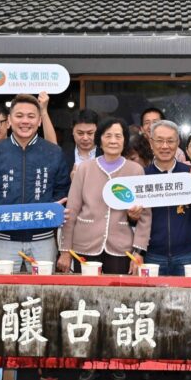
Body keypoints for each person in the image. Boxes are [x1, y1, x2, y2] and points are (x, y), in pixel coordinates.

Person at [0, 94, 71, 272]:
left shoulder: (54, 153)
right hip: (2, 239)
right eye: (19, 116)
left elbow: (62, 190)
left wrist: (58, 207)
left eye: (31, 116)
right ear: (9, 120)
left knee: (43, 294)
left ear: (40, 121)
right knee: (2, 294)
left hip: (42, 239)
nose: (25, 121)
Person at [59, 117, 152, 276]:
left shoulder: (135, 170)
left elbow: (145, 216)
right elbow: (71, 211)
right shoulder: (84, 168)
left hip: (122, 248)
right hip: (84, 245)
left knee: (118, 295)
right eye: (108, 136)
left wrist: (138, 251)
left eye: (118, 136)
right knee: (85, 296)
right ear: (99, 140)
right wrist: (65, 251)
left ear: (124, 140)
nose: (113, 141)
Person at [143, 120, 191, 276]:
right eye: (159, 141)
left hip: (186, 254)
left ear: (178, 143)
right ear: (151, 143)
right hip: (152, 254)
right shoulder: (141, 176)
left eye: (170, 141)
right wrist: (132, 216)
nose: (165, 146)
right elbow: (135, 218)